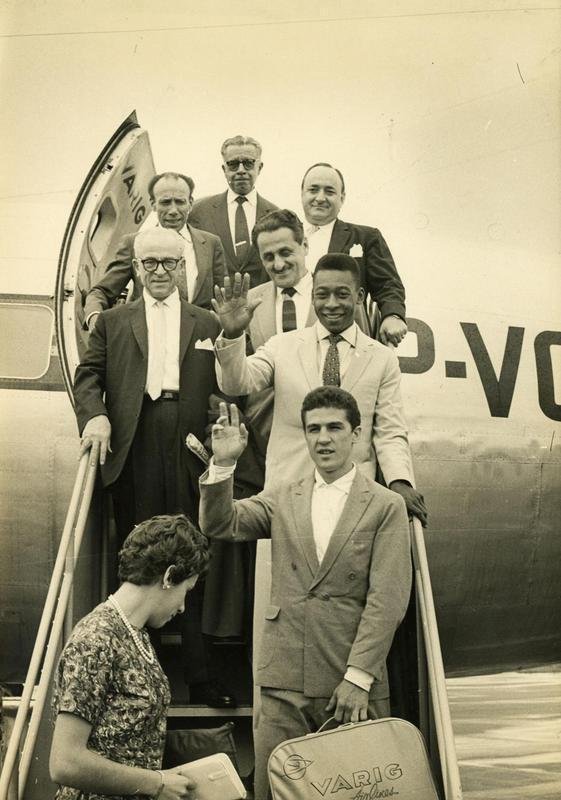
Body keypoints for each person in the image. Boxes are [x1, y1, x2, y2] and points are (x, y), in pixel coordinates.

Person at [199, 391, 412, 800]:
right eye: (313, 429)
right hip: (284, 683)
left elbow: (387, 600)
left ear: (356, 433)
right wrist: (224, 463)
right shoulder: (284, 496)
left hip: (348, 683)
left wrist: (359, 677)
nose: (323, 439)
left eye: (334, 427)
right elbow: (221, 523)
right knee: (277, 791)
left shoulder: (386, 506)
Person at [74, 226, 235, 708]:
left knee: (193, 555)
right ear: (138, 269)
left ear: (183, 267)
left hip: (186, 443)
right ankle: (139, 677)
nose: (160, 272)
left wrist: (214, 436)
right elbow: (89, 377)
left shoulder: (206, 322)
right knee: (140, 558)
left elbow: (224, 388)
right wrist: (96, 416)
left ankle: (200, 676)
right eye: (150, 264)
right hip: (136, 440)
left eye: (170, 263)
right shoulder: (113, 321)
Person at [212, 254, 427, 525]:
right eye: (322, 295)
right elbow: (237, 383)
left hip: (352, 500)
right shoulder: (282, 346)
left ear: (359, 296)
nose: (331, 304)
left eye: (342, 294)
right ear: (312, 296)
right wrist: (232, 336)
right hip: (287, 494)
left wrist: (400, 482)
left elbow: (390, 430)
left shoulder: (382, 358)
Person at [50, 513, 209, 800]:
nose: (183, 607)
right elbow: (64, 763)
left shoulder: (135, 634)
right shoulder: (96, 638)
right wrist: (157, 783)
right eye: (186, 591)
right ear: (169, 577)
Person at [83, 171, 226, 331]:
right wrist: (95, 320)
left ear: (190, 203)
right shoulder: (133, 243)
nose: (173, 210)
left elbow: (224, 299)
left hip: (197, 341)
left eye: (180, 202)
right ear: (153, 204)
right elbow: (101, 292)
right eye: (165, 202)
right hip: (147, 340)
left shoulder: (211, 243)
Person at [301, 162, 408, 346]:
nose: (320, 198)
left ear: (342, 198)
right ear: (302, 193)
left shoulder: (366, 237)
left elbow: (387, 285)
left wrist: (393, 315)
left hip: (346, 342)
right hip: (295, 339)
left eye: (329, 191)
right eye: (313, 189)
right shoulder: (286, 239)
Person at [188, 136, 277, 287]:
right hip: (214, 306)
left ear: (259, 167)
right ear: (224, 169)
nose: (241, 170)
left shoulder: (275, 215)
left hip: (260, 305)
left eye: (248, 163)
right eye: (233, 164)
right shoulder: (199, 212)